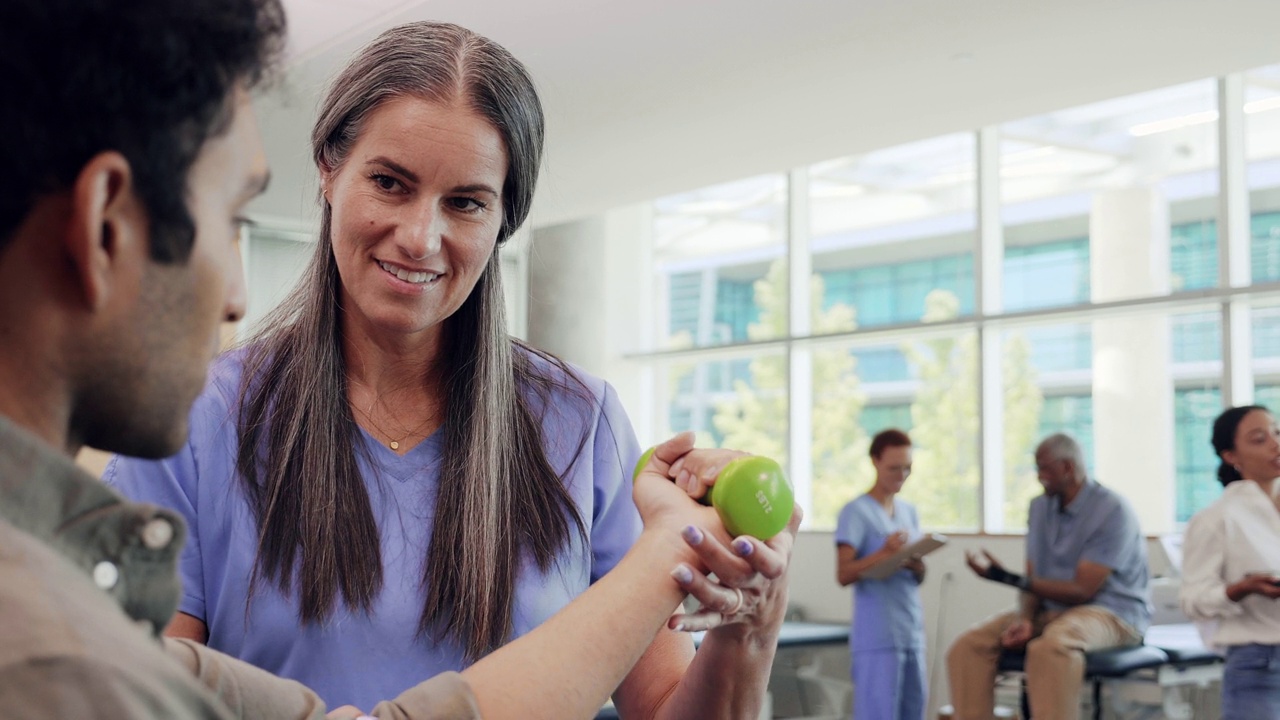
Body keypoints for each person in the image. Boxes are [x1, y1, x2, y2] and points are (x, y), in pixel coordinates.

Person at [0, 1, 799, 718]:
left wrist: (747, 626)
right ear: (330, 171)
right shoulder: (198, 416)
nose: (421, 237)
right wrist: (662, 556)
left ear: (502, 220)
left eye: (466, 202)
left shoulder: (578, 421)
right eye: (389, 182)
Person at [945, 432, 1151, 720]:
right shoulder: (1040, 508)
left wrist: (1006, 578)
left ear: (1068, 467)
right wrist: (1025, 619)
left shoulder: (1112, 510)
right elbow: (1034, 577)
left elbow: (1082, 590)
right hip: (1053, 611)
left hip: (1112, 613)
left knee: (1050, 649)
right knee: (968, 647)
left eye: (1044, 468)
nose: (1039, 476)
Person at [1181, 405, 1280, 719]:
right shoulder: (1216, 520)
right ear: (1231, 456)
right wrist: (1238, 590)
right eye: (1259, 438)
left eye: (1276, 432)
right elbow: (1192, 599)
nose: (1275, 443)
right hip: (1261, 666)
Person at [834, 429, 927, 720]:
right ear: (875, 461)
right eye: (894, 468)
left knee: (914, 710)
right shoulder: (856, 512)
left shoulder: (908, 512)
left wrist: (917, 565)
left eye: (907, 468)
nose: (902, 475)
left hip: (909, 630)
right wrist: (884, 553)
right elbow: (844, 573)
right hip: (877, 636)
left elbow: (918, 577)